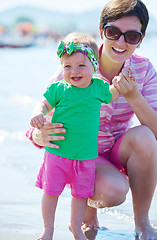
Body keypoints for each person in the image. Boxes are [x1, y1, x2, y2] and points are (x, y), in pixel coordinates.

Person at [26, 0, 157, 239]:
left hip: (117, 150)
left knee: (146, 137)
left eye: (131, 36)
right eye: (113, 32)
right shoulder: (77, 65)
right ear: (101, 31)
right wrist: (39, 134)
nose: (120, 42)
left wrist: (133, 96)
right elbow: (41, 116)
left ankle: (142, 223)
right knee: (114, 191)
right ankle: (86, 214)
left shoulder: (143, 69)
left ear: (141, 39)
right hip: (80, 154)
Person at [30, 32, 132, 240]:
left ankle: (76, 227)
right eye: (67, 66)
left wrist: (121, 85)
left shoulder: (98, 88)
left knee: (80, 195)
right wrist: (37, 113)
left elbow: (111, 94)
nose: (73, 71)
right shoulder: (59, 89)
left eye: (81, 66)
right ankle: (48, 229)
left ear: (94, 66)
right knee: (51, 192)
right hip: (57, 154)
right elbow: (43, 103)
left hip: (85, 157)